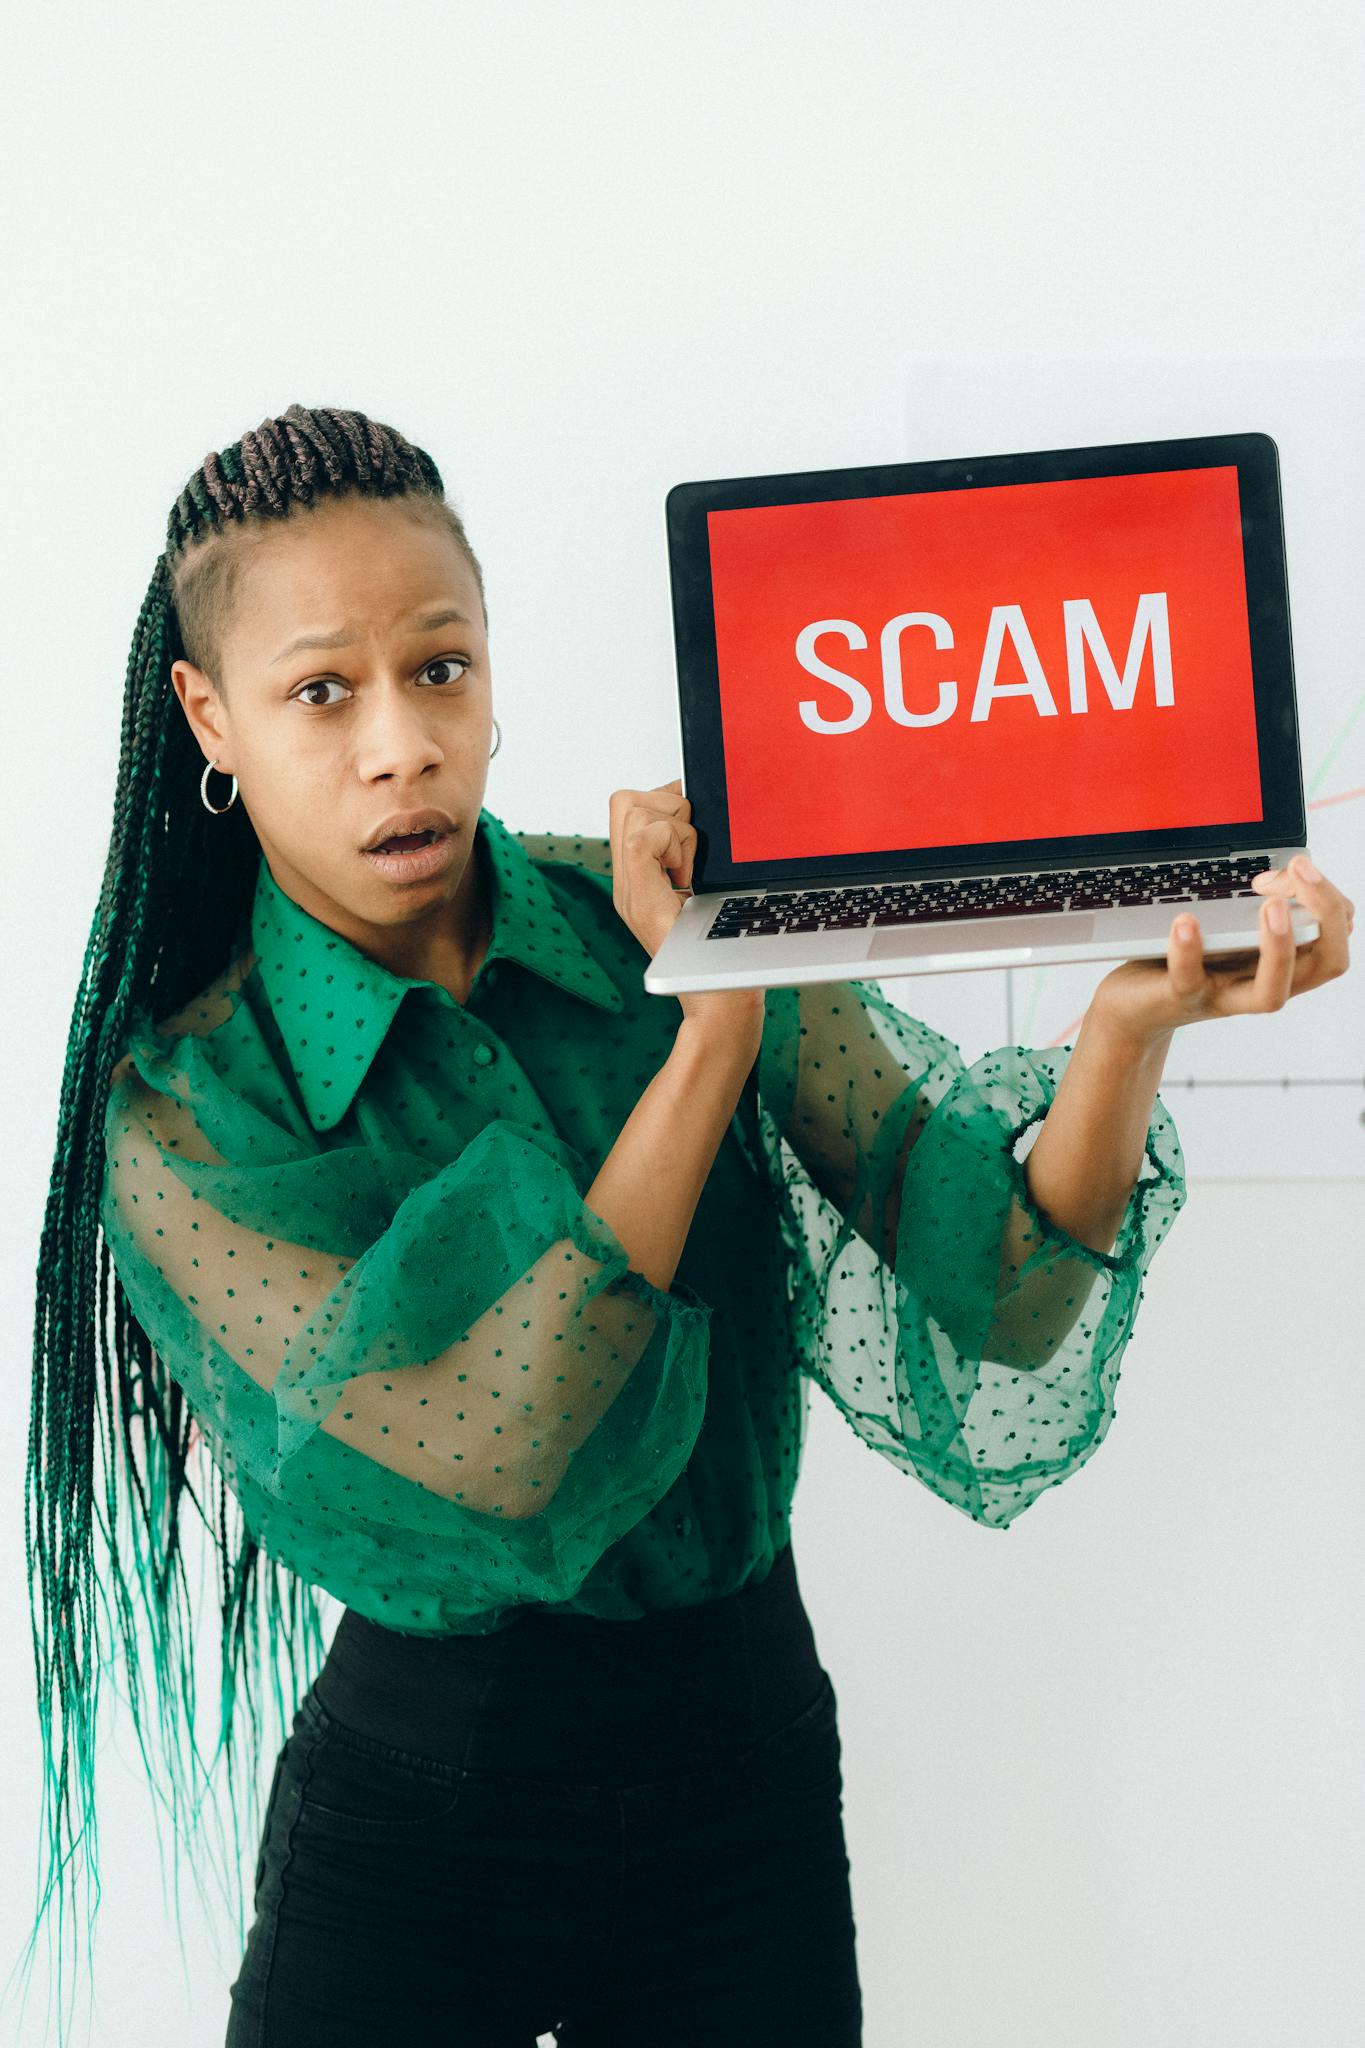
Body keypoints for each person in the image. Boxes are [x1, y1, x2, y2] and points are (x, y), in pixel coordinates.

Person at [19, 399, 1346, 2047]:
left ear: (492, 661)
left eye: (440, 668)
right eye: (319, 692)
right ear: (209, 717)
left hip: (744, 1773)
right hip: (427, 1815)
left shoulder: (644, 912)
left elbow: (1003, 1294)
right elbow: (496, 1436)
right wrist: (709, 1020)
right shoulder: (189, 1109)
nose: (400, 744)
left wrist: (1126, 1029)